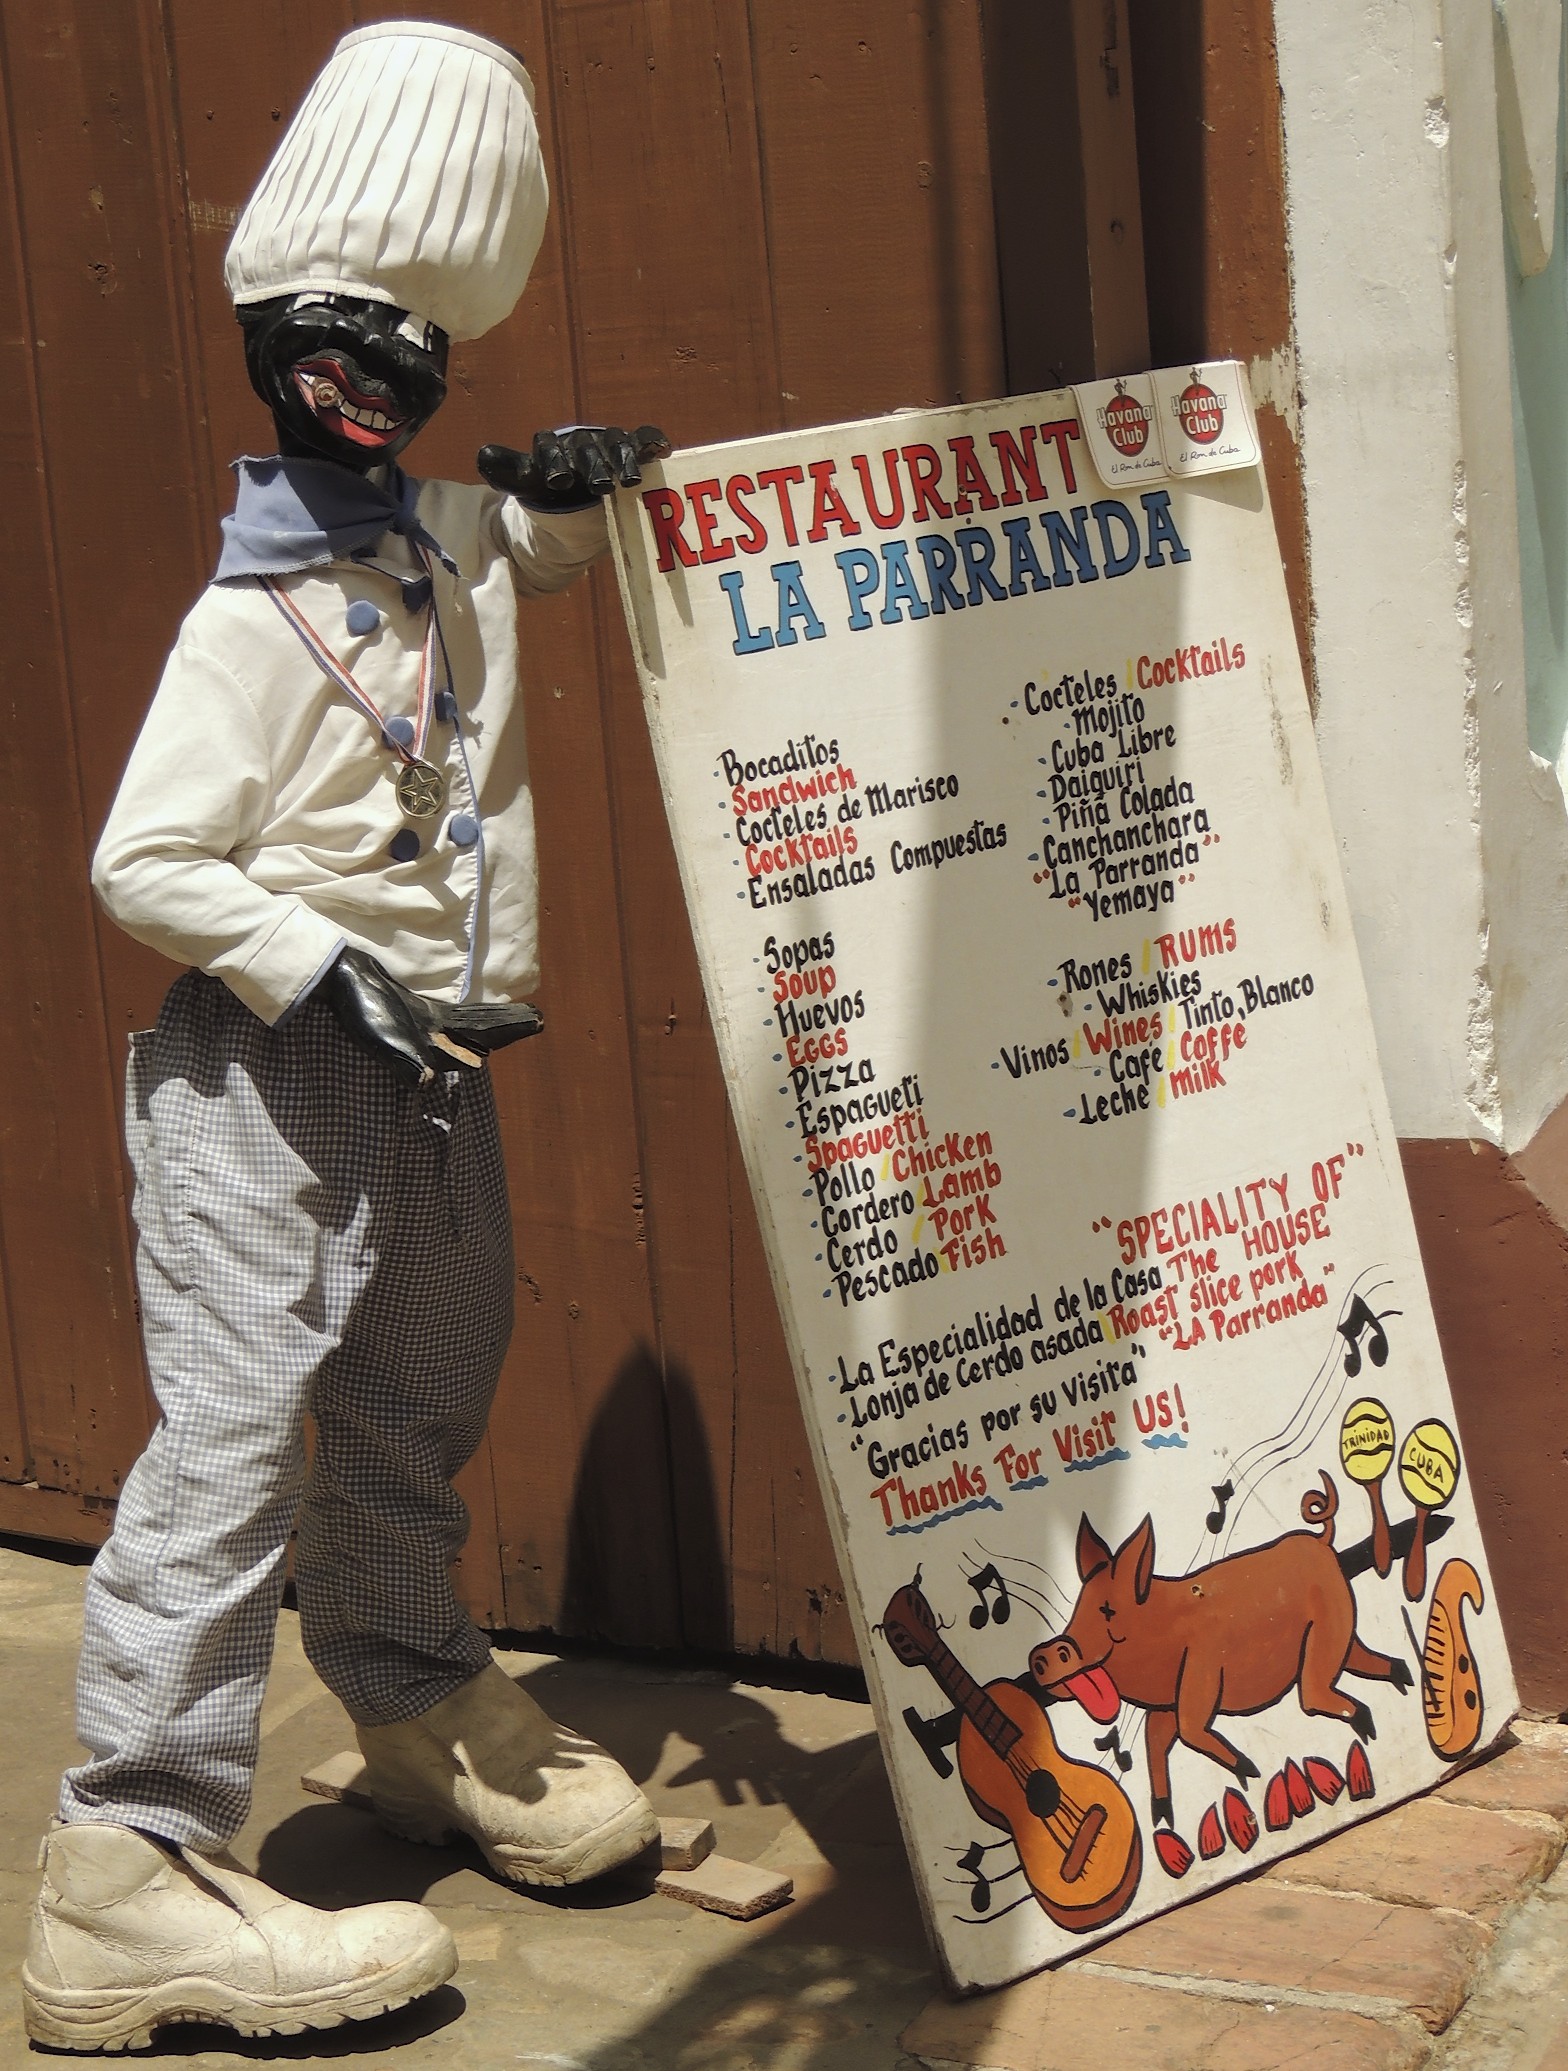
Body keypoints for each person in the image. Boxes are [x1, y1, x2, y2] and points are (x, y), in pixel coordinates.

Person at [22, 22, 668, 2052]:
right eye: (345, 338)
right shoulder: (247, 618)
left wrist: (570, 497)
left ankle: (405, 1697)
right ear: (275, 349)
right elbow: (144, 857)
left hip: (440, 1066)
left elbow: (532, 550)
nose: (384, 371)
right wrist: (313, 961)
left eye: (418, 345)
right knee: (231, 1437)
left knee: (417, 1390)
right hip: (272, 1070)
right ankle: (124, 1865)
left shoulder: (440, 537)